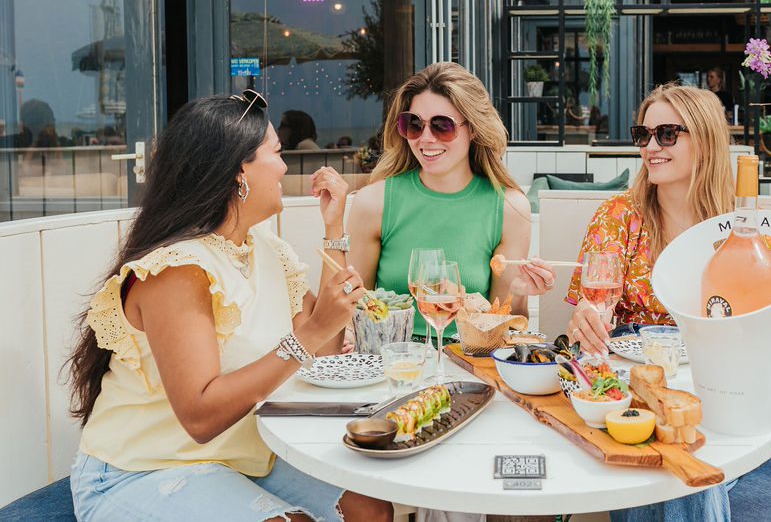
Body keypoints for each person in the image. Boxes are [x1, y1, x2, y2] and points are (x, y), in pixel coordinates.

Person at [65, 91, 393, 522]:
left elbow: (323, 357)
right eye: (276, 152)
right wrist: (312, 332)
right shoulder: (176, 272)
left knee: (370, 509)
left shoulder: (265, 248)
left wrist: (334, 229)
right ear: (240, 170)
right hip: (141, 468)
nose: (284, 165)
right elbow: (201, 417)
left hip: (238, 457)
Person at [565, 84, 734, 522]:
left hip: (711, 384)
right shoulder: (618, 215)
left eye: (667, 134)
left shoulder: (739, 228)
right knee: (673, 452)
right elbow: (593, 305)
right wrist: (588, 319)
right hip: (632, 379)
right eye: (644, 135)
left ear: (705, 139)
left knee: (674, 451)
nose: (651, 147)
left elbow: (758, 328)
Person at [347, 62, 554, 341]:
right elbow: (353, 309)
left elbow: (504, 327)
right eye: (414, 125)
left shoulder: (509, 208)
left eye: (442, 126)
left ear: (474, 129)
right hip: (393, 361)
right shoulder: (374, 202)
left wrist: (519, 295)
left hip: (469, 361)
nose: (426, 139)